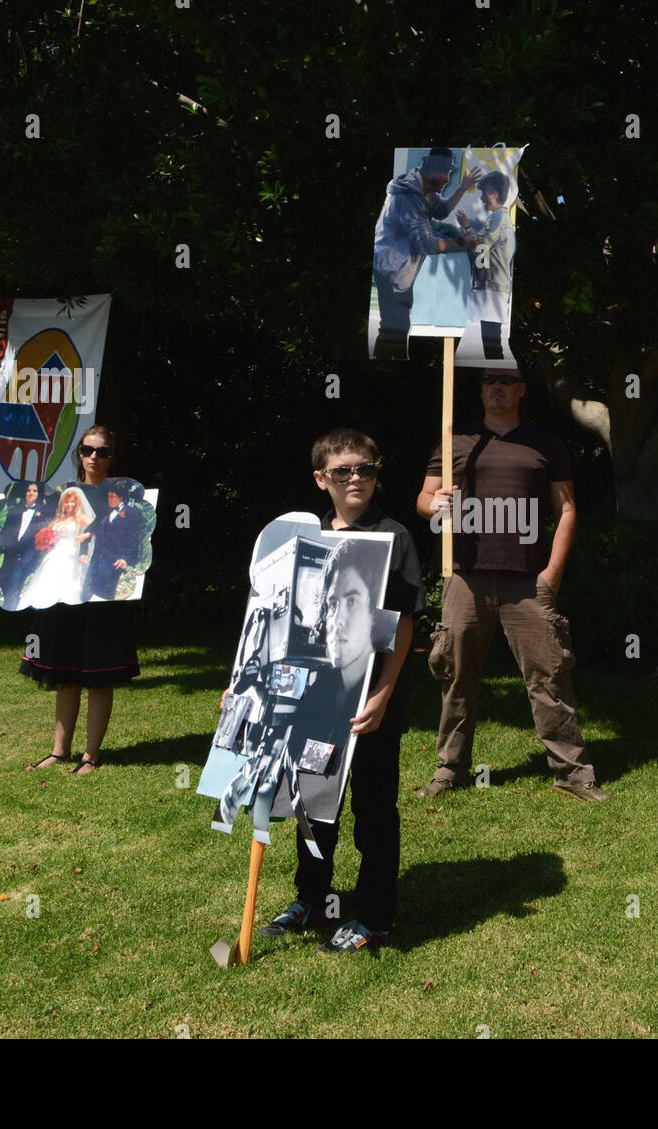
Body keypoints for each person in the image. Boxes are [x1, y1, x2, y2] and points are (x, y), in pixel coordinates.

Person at [258, 428, 424, 954]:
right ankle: (311, 899)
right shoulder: (301, 539)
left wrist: (381, 694)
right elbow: (271, 617)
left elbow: (401, 626)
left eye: (366, 469)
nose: (356, 478)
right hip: (312, 697)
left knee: (374, 810)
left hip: (370, 699)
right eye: (343, 471)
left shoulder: (392, 535)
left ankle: (375, 917)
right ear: (321, 479)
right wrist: (246, 683)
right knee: (313, 803)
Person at [416, 369, 608, 802]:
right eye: (488, 380)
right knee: (456, 676)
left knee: (550, 677)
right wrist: (436, 505)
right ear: (480, 389)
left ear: (522, 388)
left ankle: (573, 774)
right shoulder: (455, 442)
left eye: (507, 379)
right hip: (465, 575)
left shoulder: (544, 443)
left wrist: (551, 575)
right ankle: (450, 770)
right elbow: (423, 501)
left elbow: (567, 509)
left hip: (527, 581)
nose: (496, 386)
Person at [20, 425, 139, 775]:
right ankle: (59, 751)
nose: (93, 458)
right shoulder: (61, 495)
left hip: (102, 594)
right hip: (64, 592)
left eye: (102, 452)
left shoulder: (125, 499)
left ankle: (91, 755)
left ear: (112, 457)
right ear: (80, 454)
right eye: (87, 451)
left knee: (99, 675)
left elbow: (131, 542)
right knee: (65, 673)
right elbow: (42, 539)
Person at [371, 148, 481, 359]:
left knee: (397, 327)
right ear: (435, 171)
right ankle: (384, 371)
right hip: (391, 271)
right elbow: (425, 244)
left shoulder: (425, 190)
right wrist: (461, 242)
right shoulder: (410, 197)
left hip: (399, 271)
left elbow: (442, 211)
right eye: (447, 173)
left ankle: (386, 365)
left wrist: (464, 187)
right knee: (394, 329)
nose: (448, 180)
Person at [458, 169, 515, 361]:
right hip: (492, 288)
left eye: (484, 193)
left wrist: (466, 226)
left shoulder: (498, 218)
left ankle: (496, 371)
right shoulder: (498, 218)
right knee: (491, 344)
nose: (482, 198)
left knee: (491, 345)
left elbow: (480, 246)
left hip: (493, 289)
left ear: (495, 193)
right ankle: (495, 369)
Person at [23, 485, 95, 608]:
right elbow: (49, 533)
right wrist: (46, 542)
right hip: (54, 553)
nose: (69, 504)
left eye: (72, 502)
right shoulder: (57, 520)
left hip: (71, 552)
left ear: (77, 503)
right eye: (66, 501)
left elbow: (97, 528)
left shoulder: (81, 518)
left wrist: (86, 536)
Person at [0, 481, 50, 610]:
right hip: (10, 556)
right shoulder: (14, 511)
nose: (31, 493)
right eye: (28, 490)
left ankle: (9, 613)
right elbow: (3, 536)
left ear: (39, 494)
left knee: (14, 586)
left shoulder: (45, 514)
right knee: (7, 585)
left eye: (34, 491)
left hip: (28, 557)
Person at [82, 479, 143, 601]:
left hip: (114, 561)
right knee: (86, 593)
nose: (110, 499)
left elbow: (133, 538)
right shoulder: (106, 512)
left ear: (121, 498)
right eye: (108, 496)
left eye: (113, 497)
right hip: (97, 560)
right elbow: (94, 527)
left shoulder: (132, 513)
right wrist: (87, 535)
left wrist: (125, 558)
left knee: (105, 596)